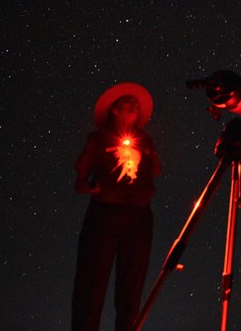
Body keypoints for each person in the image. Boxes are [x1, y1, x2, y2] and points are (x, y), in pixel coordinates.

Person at [71, 82, 161, 331]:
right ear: (113, 110)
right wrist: (91, 187)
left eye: (136, 103)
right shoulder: (99, 140)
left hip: (139, 219)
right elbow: (80, 179)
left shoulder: (145, 142)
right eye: (127, 102)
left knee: (131, 288)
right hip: (104, 216)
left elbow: (152, 174)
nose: (134, 105)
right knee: (91, 284)